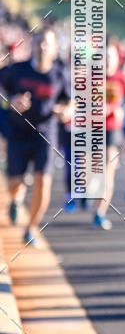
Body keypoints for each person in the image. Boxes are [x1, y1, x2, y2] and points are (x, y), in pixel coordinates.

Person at [0, 27, 70, 246]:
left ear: (55, 47)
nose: (42, 46)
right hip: (18, 131)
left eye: (47, 43)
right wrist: (11, 101)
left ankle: (31, 227)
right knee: (15, 183)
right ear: (33, 44)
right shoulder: (16, 70)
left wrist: (66, 111)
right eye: (39, 41)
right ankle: (15, 199)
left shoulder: (60, 73)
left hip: (46, 133)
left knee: (43, 181)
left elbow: (70, 101)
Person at [92, 43, 125, 229]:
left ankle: (100, 213)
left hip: (113, 129)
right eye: (105, 56)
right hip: (92, 129)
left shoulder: (123, 78)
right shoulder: (91, 77)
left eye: (111, 56)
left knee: (108, 171)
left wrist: (120, 110)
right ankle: (90, 197)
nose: (108, 60)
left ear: (117, 59)